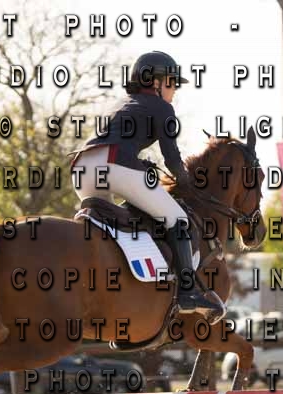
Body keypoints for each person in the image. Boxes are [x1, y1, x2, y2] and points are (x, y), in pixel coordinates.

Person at [69, 51, 225, 325]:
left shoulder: (122, 103)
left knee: (113, 227)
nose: (175, 90)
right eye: (172, 83)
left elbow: (114, 140)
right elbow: (172, 159)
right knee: (178, 220)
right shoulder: (162, 108)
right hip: (113, 165)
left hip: (82, 169)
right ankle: (188, 293)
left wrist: (139, 164)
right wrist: (187, 183)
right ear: (155, 82)